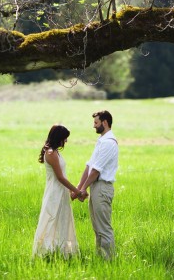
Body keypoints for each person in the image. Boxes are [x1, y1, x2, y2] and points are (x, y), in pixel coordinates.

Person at [73, 110, 119, 259]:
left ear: (104, 122)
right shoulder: (101, 141)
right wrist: (80, 187)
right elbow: (89, 166)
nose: (94, 126)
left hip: (102, 187)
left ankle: (109, 261)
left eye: (96, 123)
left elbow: (96, 171)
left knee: (104, 228)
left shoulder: (109, 143)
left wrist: (83, 189)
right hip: (95, 187)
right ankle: (100, 259)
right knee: (97, 228)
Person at [33, 124, 81, 258]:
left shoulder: (55, 152)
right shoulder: (51, 153)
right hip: (55, 192)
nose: (66, 141)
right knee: (51, 220)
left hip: (61, 191)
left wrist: (71, 191)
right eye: (65, 138)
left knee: (62, 220)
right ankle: (46, 252)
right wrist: (77, 191)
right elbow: (60, 177)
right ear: (58, 137)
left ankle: (61, 251)